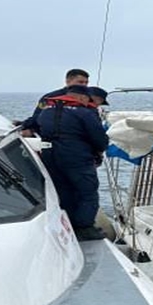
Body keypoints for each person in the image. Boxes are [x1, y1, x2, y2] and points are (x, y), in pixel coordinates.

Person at [19, 84, 109, 241]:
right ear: (81, 97)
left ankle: (67, 224)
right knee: (87, 192)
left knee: (62, 191)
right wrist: (99, 151)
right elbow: (99, 139)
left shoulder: (46, 111)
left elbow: (34, 124)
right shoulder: (84, 113)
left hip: (49, 155)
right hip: (76, 156)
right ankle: (84, 227)